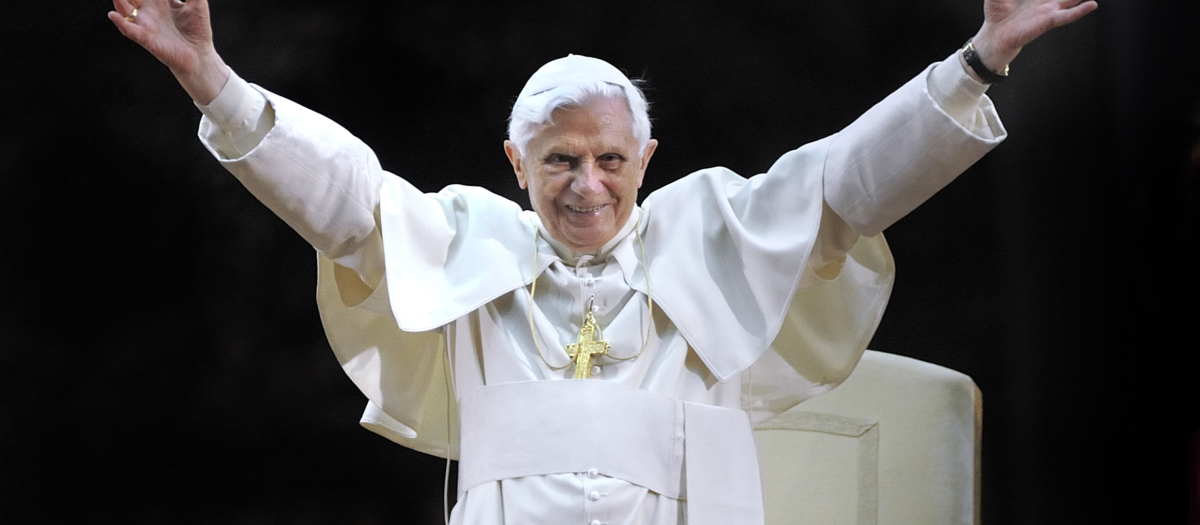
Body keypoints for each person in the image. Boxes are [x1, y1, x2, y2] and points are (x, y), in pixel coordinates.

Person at [109, 1, 1096, 524]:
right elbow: (339, 196)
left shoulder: (712, 233)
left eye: (610, 161)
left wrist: (977, 62)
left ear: (646, 162)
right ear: (515, 164)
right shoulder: (465, 244)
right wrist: (213, 83)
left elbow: (847, 184)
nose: (587, 185)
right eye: (560, 162)